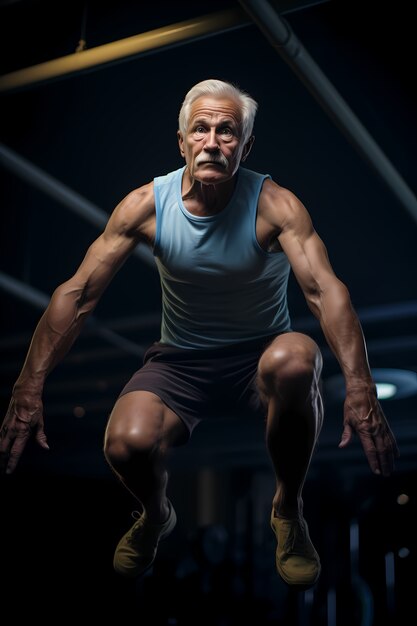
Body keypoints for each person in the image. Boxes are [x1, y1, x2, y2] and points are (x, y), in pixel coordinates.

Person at [0, 79, 399, 589]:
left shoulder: (276, 205)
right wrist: (28, 385)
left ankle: (287, 510)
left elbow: (325, 291)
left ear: (246, 146)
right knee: (125, 445)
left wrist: (361, 386)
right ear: (183, 141)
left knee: (298, 357)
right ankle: (154, 514)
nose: (213, 141)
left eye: (227, 131)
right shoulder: (145, 204)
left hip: (260, 357)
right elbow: (78, 294)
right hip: (178, 361)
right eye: (201, 129)